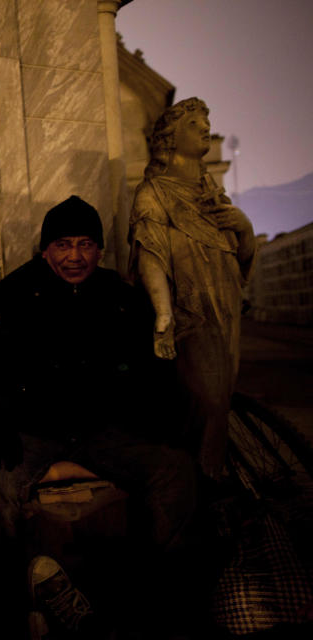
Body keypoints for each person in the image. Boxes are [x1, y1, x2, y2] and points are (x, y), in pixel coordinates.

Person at [0, 196, 197, 636]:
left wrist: (157, 419)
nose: (75, 257)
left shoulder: (122, 298)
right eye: (64, 245)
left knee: (175, 469)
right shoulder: (9, 297)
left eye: (86, 244)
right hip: (32, 433)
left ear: (100, 249)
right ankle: (7, 603)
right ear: (46, 250)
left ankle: (162, 595)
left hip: (104, 432)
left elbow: (155, 370)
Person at [129, 97, 257, 479]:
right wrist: (164, 315)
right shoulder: (154, 193)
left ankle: (208, 480)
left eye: (207, 123)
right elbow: (150, 254)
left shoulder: (212, 195)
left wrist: (244, 225)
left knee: (217, 403)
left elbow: (241, 258)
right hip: (191, 314)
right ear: (169, 136)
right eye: (194, 124)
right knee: (208, 401)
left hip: (226, 305)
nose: (204, 128)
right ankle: (206, 487)